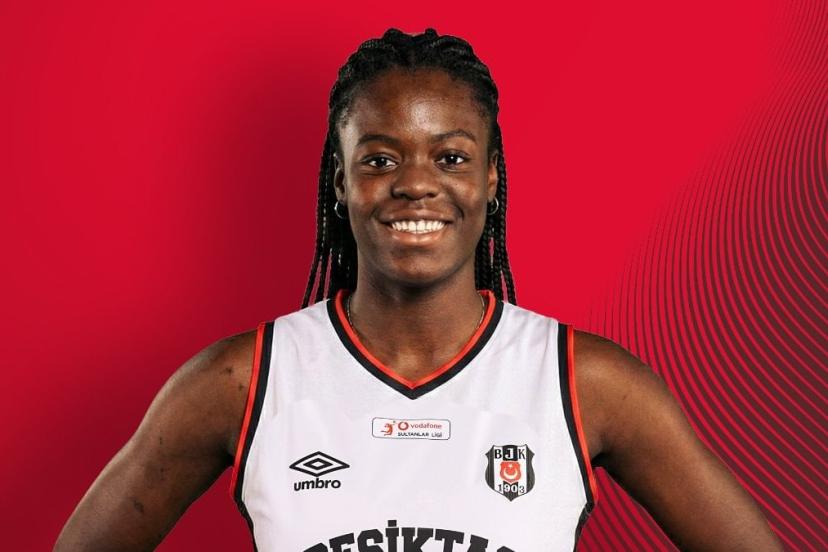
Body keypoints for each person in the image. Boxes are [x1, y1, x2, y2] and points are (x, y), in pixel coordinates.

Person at [55, 28, 782, 551]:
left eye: (451, 157)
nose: (415, 185)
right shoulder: (244, 381)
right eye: (379, 159)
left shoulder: (582, 382)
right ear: (340, 182)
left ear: (490, 177)